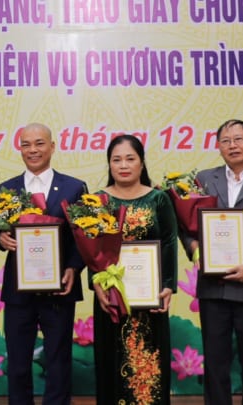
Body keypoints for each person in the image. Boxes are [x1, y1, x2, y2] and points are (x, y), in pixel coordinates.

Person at [0, 123, 86, 405]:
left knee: (58, 359)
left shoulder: (74, 187)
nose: (32, 150)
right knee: (18, 361)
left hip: (59, 286)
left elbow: (83, 236)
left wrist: (73, 268)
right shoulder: (6, 189)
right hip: (18, 289)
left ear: (52, 146)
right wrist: (0, 238)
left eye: (39, 143)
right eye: (26, 144)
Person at [180, 119, 243, 405]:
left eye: (239, 139)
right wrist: (194, 248)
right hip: (213, 287)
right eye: (226, 141)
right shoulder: (204, 180)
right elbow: (185, 223)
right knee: (215, 364)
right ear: (218, 146)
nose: (233, 145)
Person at [92, 134, 178, 404]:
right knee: (111, 362)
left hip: (150, 299)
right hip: (111, 298)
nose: (123, 165)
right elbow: (92, 248)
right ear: (109, 164)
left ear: (141, 163)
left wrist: (168, 286)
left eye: (130, 159)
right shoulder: (97, 201)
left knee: (149, 366)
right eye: (116, 160)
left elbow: (169, 243)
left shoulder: (159, 199)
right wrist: (96, 284)